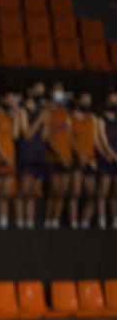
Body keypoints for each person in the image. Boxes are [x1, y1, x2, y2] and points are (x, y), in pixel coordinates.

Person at [15, 81, 49, 229]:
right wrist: (40, 119)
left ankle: (29, 222)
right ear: (30, 91)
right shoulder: (22, 110)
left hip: (39, 152)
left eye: (42, 91)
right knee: (24, 189)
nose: (40, 94)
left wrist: (46, 121)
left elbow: (44, 137)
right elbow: (26, 134)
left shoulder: (41, 110)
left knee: (34, 190)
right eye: (38, 91)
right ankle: (19, 220)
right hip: (27, 151)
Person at [0, 88, 20, 229]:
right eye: (9, 98)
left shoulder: (9, 116)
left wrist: (16, 118)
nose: (11, 101)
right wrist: (2, 156)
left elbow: (15, 135)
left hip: (10, 154)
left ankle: (3, 220)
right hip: (0, 156)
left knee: (5, 192)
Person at [44, 81, 73, 229]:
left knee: (64, 191)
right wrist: (59, 153)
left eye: (61, 90)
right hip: (53, 157)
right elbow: (47, 136)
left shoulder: (65, 112)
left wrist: (70, 154)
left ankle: (55, 220)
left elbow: (69, 134)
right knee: (54, 190)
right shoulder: (47, 111)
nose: (59, 93)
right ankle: (48, 219)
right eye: (57, 90)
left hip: (66, 157)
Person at [70, 90, 98, 229]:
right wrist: (79, 155)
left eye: (89, 100)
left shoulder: (92, 118)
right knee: (75, 193)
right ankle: (74, 223)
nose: (87, 103)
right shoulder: (70, 118)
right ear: (77, 101)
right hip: (77, 160)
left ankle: (85, 222)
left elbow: (96, 140)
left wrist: (94, 158)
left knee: (92, 195)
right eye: (85, 100)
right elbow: (70, 138)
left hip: (91, 160)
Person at [97, 88, 117, 229]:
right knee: (103, 191)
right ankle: (101, 220)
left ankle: (115, 220)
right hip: (106, 158)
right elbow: (102, 140)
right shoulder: (100, 119)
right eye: (112, 101)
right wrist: (110, 154)